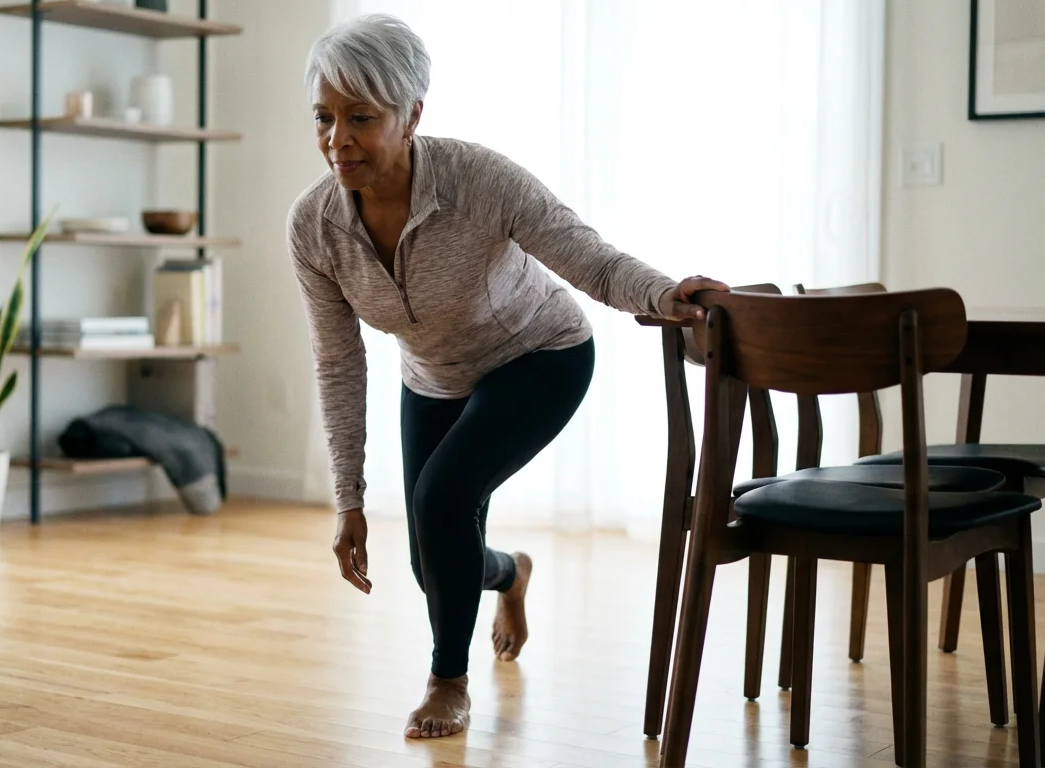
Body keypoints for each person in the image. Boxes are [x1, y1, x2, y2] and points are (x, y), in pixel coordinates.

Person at [286, 14, 729, 740]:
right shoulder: (314, 227)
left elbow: (589, 256)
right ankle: (511, 574)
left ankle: (447, 683)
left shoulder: (477, 180)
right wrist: (348, 498)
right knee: (436, 567)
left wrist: (664, 294)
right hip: (435, 376)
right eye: (325, 118)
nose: (339, 139)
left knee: (440, 497)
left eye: (361, 117)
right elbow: (338, 361)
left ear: (412, 116)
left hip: (540, 357)